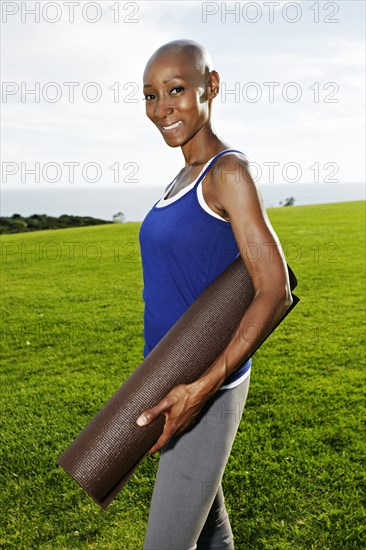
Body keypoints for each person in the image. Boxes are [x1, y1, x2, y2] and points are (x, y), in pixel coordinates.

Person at [136, 39, 293, 550]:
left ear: (212, 86)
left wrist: (200, 389)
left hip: (205, 390)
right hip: (167, 378)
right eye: (151, 95)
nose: (162, 108)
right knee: (210, 534)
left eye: (176, 89)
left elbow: (275, 288)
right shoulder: (180, 177)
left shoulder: (228, 173)